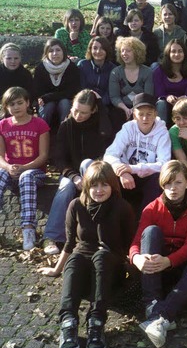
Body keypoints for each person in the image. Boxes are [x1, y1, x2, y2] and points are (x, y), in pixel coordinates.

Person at [37, 161, 135, 348]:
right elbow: (70, 243)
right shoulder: (76, 205)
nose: (99, 190)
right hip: (84, 270)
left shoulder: (122, 207)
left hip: (110, 268)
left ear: (112, 186)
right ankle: (68, 323)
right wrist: (57, 269)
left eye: (104, 185)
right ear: (87, 186)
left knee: (101, 256)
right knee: (74, 259)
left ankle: (96, 322)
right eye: (94, 185)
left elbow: (130, 243)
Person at [130, 160, 187, 348]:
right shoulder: (152, 208)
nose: (173, 188)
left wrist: (169, 261)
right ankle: (153, 305)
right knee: (151, 232)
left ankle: (159, 316)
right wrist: (136, 258)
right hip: (155, 266)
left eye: (178, 182)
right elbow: (135, 243)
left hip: (181, 266)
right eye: (167, 183)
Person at [42, 90, 112, 255]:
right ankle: (51, 237)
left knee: (88, 164)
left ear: (93, 110)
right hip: (71, 173)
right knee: (65, 188)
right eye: (75, 110)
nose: (78, 115)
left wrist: (101, 106)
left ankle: (100, 236)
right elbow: (59, 158)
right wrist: (73, 177)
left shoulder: (101, 123)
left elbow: (108, 140)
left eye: (83, 112)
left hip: (96, 172)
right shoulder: (66, 125)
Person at [103, 93, 171, 216]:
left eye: (149, 114)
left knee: (158, 178)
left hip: (148, 177)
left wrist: (132, 168)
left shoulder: (162, 133)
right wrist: (122, 171)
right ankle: (114, 217)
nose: (145, 118)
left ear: (156, 114)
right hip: (126, 176)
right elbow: (109, 155)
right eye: (141, 114)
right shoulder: (128, 128)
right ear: (134, 115)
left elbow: (164, 164)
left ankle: (145, 218)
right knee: (107, 172)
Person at [0, 87, 49, 251]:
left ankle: (28, 229)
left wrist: (24, 167)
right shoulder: (2, 125)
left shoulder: (39, 124)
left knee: (26, 176)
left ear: (27, 102)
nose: (16, 107)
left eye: (20, 103)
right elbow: (0, 157)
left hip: (34, 172)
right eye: (11, 104)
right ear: (6, 107)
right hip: (11, 169)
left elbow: (43, 156)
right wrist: (8, 166)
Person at [108, 37, 154, 131]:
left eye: (128, 51)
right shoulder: (115, 72)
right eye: (122, 51)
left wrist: (135, 109)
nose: (124, 54)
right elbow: (114, 97)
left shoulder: (147, 72)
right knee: (117, 115)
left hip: (142, 107)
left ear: (137, 52)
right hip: (122, 107)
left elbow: (148, 95)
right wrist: (125, 109)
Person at [33, 38, 81, 127]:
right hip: (47, 102)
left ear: (63, 52)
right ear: (46, 53)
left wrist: (50, 96)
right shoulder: (40, 68)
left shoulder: (71, 67)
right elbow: (38, 92)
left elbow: (72, 91)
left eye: (58, 50)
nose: (55, 54)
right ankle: (42, 133)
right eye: (51, 51)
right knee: (48, 106)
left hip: (65, 101)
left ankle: (64, 133)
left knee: (65, 103)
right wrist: (47, 98)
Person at [153, 40, 187, 124]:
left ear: (184, 53)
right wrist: (167, 97)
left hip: (185, 104)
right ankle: (161, 133)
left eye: (180, 51)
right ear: (168, 53)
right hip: (166, 105)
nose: (177, 54)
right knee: (161, 103)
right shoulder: (159, 71)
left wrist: (184, 98)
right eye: (173, 51)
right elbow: (159, 93)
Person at [77, 36, 116, 106]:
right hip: (84, 103)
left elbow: (110, 93)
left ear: (107, 50)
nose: (98, 51)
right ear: (90, 50)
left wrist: (99, 104)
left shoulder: (113, 69)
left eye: (102, 48)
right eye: (95, 48)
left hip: (104, 105)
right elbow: (81, 88)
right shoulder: (83, 65)